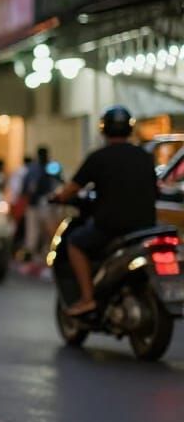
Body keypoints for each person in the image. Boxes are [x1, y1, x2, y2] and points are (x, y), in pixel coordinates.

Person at [53, 106, 158, 315]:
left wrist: (57, 197)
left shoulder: (98, 157)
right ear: (130, 129)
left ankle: (87, 298)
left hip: (111, 226)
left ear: (104, 130)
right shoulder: (144, 156)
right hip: (146, 226)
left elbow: (71, 190)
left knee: (75, 243)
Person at [23, 146, 58, 260]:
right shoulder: (34, 168)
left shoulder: (51, 167)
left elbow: (58, 180)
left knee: (46, 229)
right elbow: (27, 187)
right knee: (33, 231)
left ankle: (45, 252)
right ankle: (32, 254)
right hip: (35, 203)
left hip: (46, 201)